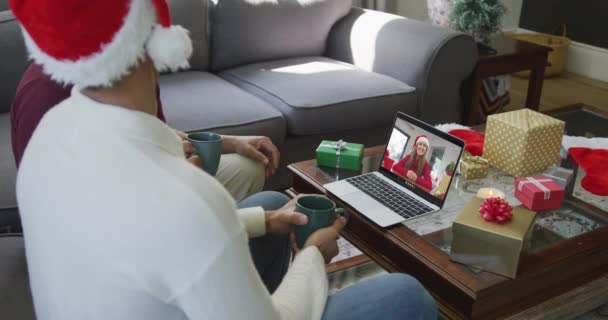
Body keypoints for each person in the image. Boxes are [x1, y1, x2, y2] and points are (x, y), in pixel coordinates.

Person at [12, 0, 437, 319]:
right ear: (151, 40)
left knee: (271, 208)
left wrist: (261, 223)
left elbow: (133, 236)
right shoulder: (185, 199)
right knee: (406, 295)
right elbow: (171, 227)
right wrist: (313, 257)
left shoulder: (50, 136)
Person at [11, 62, 277, 202]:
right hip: (94, 220)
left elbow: (152, 129)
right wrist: (164, 175)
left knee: (247, 166)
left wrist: (228, 143)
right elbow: (53, 201)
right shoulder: (44, 91)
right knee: (271, 204)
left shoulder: (132, 65)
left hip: (143, 187)